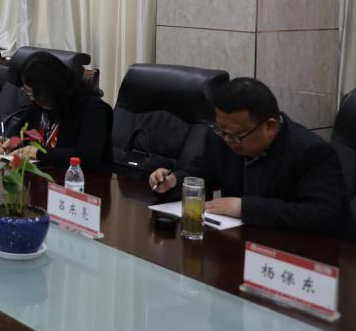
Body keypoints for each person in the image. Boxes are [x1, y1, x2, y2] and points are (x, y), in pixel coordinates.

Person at [149, 77, 350, 236]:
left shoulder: (310, 151)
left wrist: (244, 208)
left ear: (269, 127)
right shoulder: (220, 137)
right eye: (221, 129)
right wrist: (174, 181)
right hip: (239, 246)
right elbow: (202, 173)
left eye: (236, 135)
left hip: (293, 254)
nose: (227, 139)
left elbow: (325, 214)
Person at [0, 52, 112, 172]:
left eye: (34, 93)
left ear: (53, 88)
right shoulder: (38, 104)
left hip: (83, 179)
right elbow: (20, 130)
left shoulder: (92, 109)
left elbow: (88, 157)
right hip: (44, 174)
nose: (32, 98)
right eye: (28, 92)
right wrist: (9, 142)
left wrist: (39, 153)